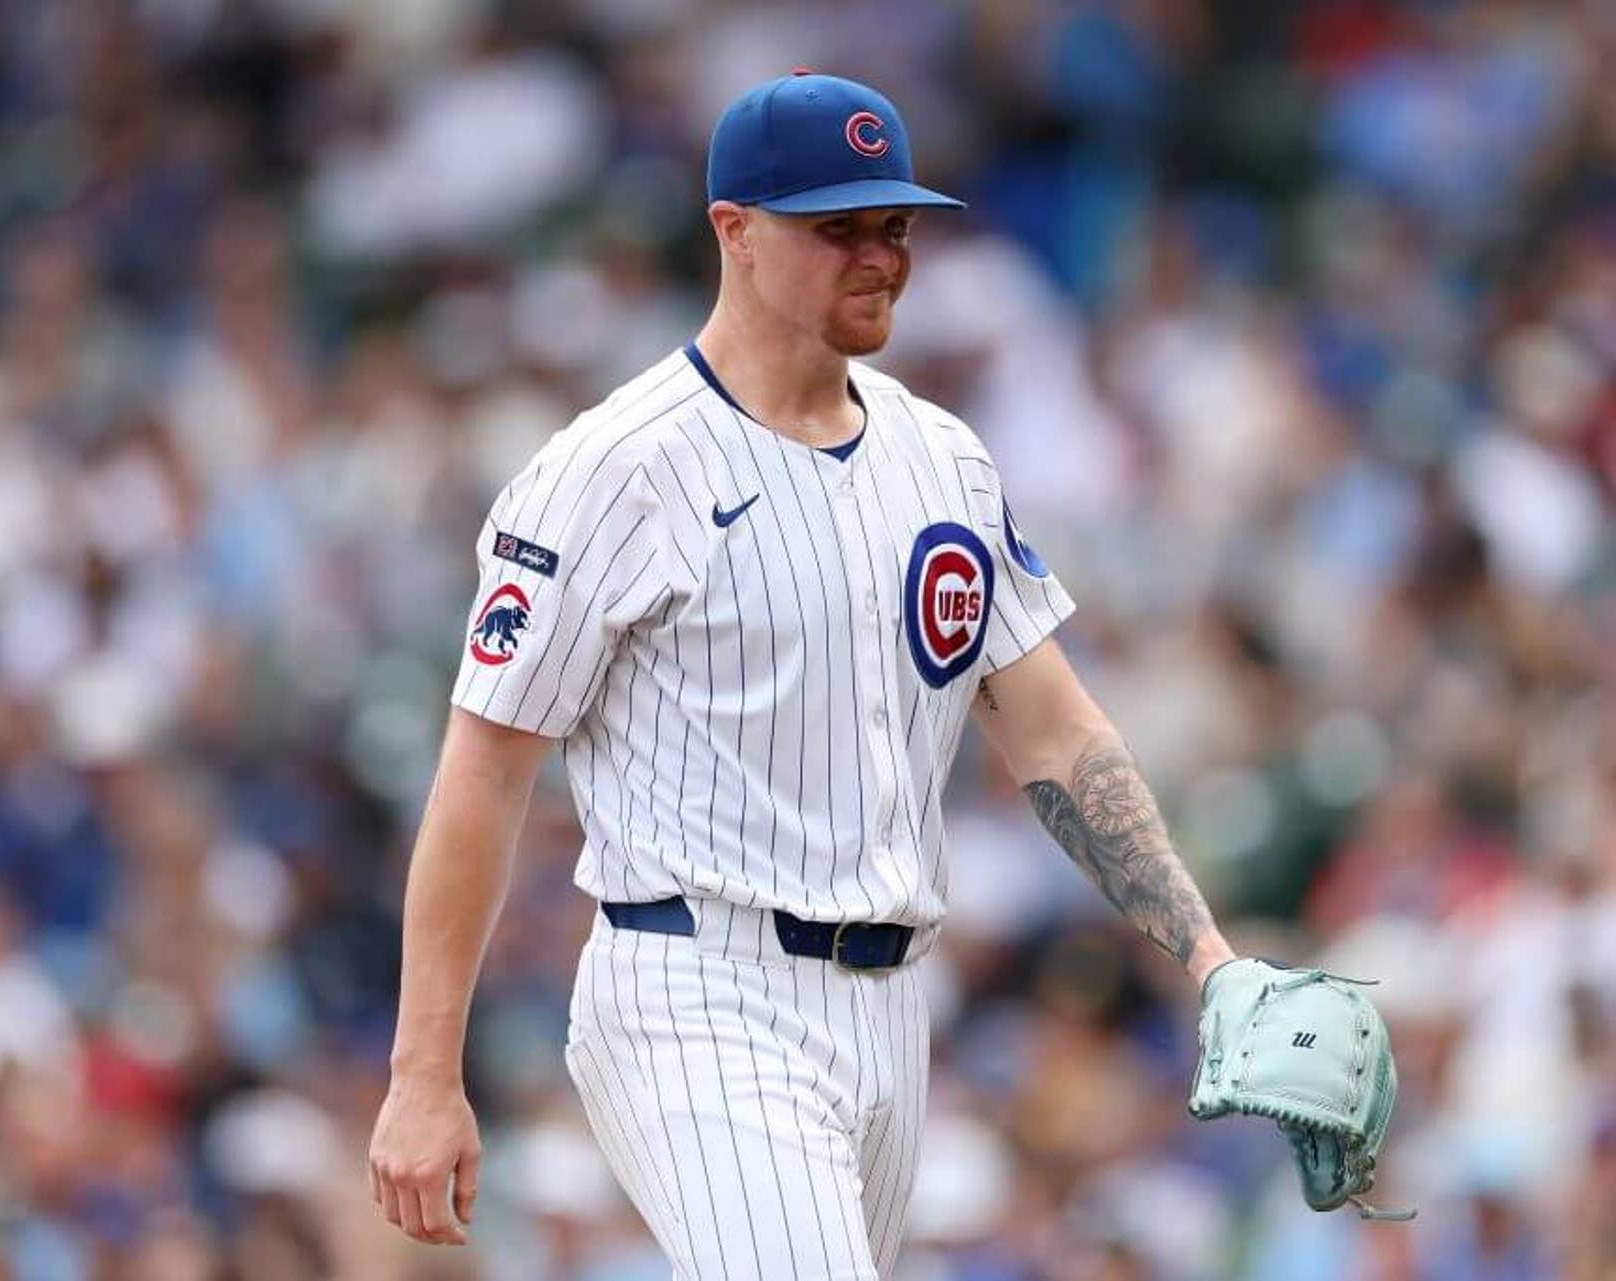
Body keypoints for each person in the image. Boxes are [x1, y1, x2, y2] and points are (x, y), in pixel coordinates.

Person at [368, 71, 1238, 1277]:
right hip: (697, 984)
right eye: (839, 229)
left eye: (896, 226)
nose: (881, 257)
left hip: (893, 1006)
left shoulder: (942, 457)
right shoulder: (617, 468)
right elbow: (484, 764)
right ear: (735, 231)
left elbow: (1053, 731)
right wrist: (423, 1074)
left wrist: (1210, 958)